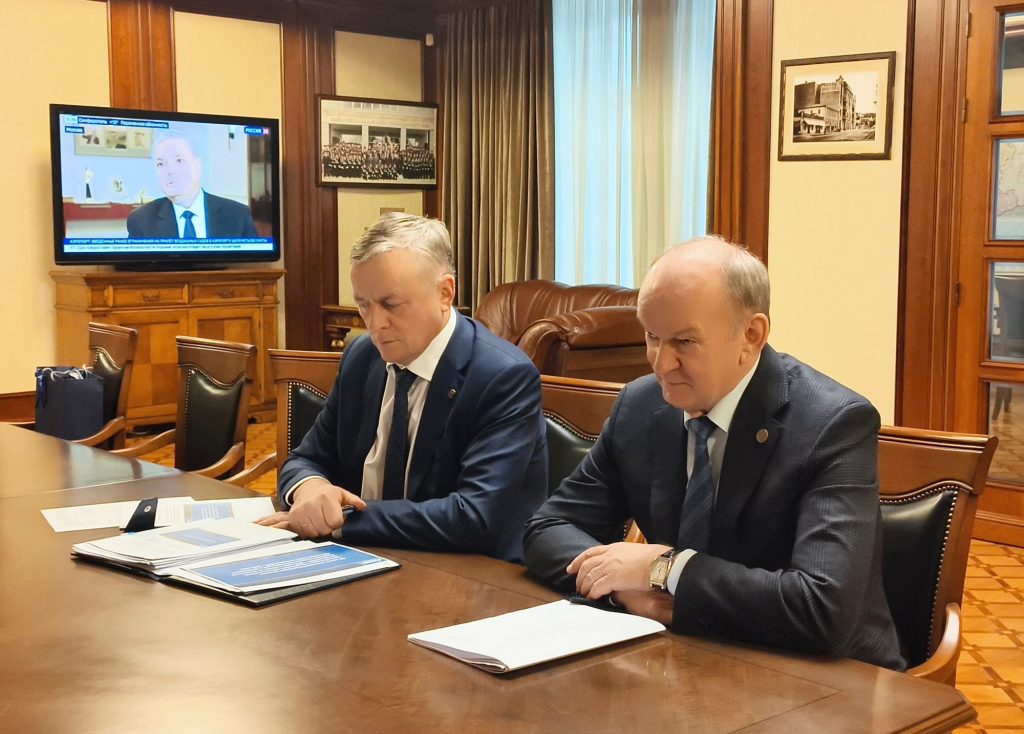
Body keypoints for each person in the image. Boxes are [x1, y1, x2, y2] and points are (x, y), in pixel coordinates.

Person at [523, 236, 905, 670]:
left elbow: (822, 609)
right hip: (685, 658)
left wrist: (664, 569)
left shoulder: (832, 424)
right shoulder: (641, 406)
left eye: (684, 342)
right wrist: (621, 587)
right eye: (651, 336)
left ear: (751, 335)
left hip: (827, 676)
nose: (660, 364)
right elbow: (548, 528)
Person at [258, 213, 547, 563]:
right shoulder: (362, 357)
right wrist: (310, 489)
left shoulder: (502, 376)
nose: (374, 323)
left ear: (445, 293)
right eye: (363, 304)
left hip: (465, 572)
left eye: (390, 304)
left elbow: (474, 516)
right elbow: (306, 458)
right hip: (357, 559)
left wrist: (342, 521)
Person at [126, 131, 258, 239]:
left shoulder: (238, 215)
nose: (170, 171)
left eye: (179, 161)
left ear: (197, 165)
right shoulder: (140, 220)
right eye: (161, 164)